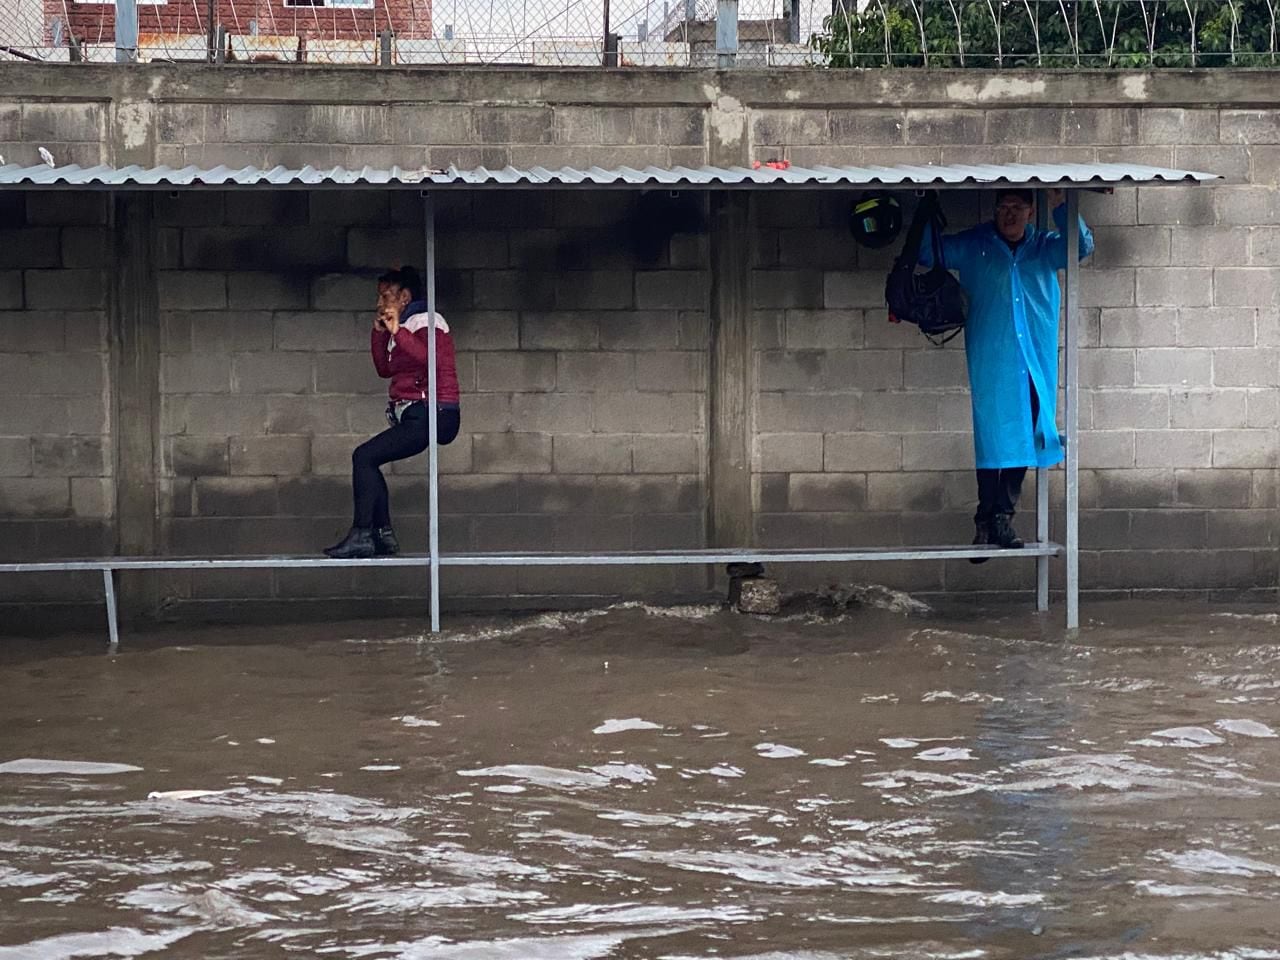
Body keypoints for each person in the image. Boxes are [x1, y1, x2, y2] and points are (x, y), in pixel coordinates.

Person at [921, 188, 1094, 562]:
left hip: (1034, 358)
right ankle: (987, 518)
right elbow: (926, 252)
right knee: (993, 437)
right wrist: (925, 204)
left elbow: (1080, 246)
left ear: (1031, 212)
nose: (1009, 214)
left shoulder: (1046, 247)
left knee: (1028, 433)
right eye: (1003, 207)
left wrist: (1061, 205)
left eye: (1017, 208)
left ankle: (1000, 518)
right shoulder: (975, 244)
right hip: (993, 359)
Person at [323, 266, 461, 559]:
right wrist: (379, 333)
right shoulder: (405, 325)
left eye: (386, 296)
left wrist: (397, 330)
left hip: (434, 411)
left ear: (405, 297)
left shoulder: (427, 319)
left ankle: (364, 534)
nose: (379, 304)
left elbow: (429, 359)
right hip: (415, 412)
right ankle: (382, 535)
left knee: (364, 456)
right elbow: (384, 369)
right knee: (369, 460)